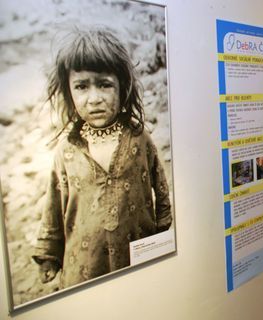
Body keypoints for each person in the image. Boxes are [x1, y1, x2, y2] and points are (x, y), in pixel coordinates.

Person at [32, 28, 172, 289]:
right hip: (84, 267)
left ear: (122, 86)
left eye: (104, 84)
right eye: (82, 87)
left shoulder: (139, 138)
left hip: (138, 258)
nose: (94, 98)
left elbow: (160, 185)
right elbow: (54, 203)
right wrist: (49, 254)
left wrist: (164, 228)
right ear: (69, 91)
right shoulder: (67, 149)